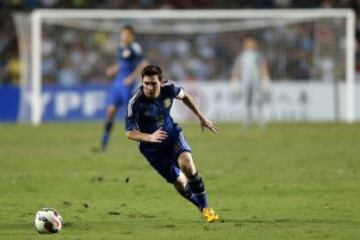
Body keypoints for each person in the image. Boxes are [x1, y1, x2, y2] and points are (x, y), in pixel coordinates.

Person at [125, 65, 219, 223]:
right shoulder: (135, 103)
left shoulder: (170, 88)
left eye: (153, 83)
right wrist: (149, 137)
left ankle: (206, 208)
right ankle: (200, 206)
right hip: (151, 149)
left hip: (172, 135)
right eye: (145, 83)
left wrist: (200, 117)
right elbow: (129, 132)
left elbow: (186, 97)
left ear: (160, 83)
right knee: (181, 183)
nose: (148, 87)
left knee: (187, 165)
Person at [100, 25, 147, 151]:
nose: (123, 36)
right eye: (122, 34)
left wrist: (131, 78)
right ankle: (104, 142)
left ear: (131, 36)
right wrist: (113, 69)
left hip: (127, 85)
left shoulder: (135, 48)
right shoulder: (120, 48)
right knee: (110, 111)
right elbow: (122, 64)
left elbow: (144, 64)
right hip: (117, 84)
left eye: (126, 34)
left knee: (130, 116)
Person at [231, 37, 270, 129]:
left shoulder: (257, 55)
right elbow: (238, 68)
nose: (249, 45)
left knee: (258, 100)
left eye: (251, 43)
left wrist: (265, 78)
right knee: (246, 101)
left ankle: (261, 121)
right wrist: (234, 79)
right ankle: (246, 121)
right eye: (247, 43)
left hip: (256, 80)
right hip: (245, 81)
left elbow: (262, 66)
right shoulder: (242, 56)